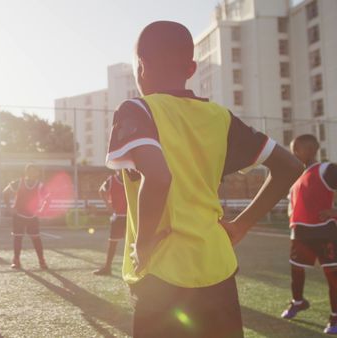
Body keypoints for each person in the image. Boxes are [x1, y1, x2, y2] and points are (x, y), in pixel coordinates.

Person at [105, 21, 303, 338]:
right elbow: (290, 166)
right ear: (192, 68)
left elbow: (157, 177)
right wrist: (241, 224)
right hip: (218, 268)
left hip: (162, 271)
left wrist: (142, 244)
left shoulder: (137, 110)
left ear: (140, 67)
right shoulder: (220, 118)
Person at [280, 134, 337, 334]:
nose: (293, 153)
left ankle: (335, 318)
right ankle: (298, 302)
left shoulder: (326, 169)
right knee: (296, 271)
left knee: (333, 277)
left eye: (297, 149)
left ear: (311, 150)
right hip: (299, 233)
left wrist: (335, 211)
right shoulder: (297, 177)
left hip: (324, 233)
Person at [2, 163, 50, 270]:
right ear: (26, 172)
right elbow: (5, 192)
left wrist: (43, 209)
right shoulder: (19, 183)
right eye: (30, 170)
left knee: (36, 238)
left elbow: (48, 198)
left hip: (32, 216)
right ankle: (16, 261)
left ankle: (42, 261)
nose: (33, 173)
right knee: (18, 238)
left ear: (38, 173)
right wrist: (9, 207)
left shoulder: (40, 185)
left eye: (35, 171)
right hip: (18, 215)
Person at [93, 170, 128, 276]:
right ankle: (107, 267)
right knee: (113, 243)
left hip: (131, 217)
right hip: (118, 217)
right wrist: (108, 206)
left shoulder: (132, 178)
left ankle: (137, 270)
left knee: (133, 244)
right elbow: (101, 191)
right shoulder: (111, 180)